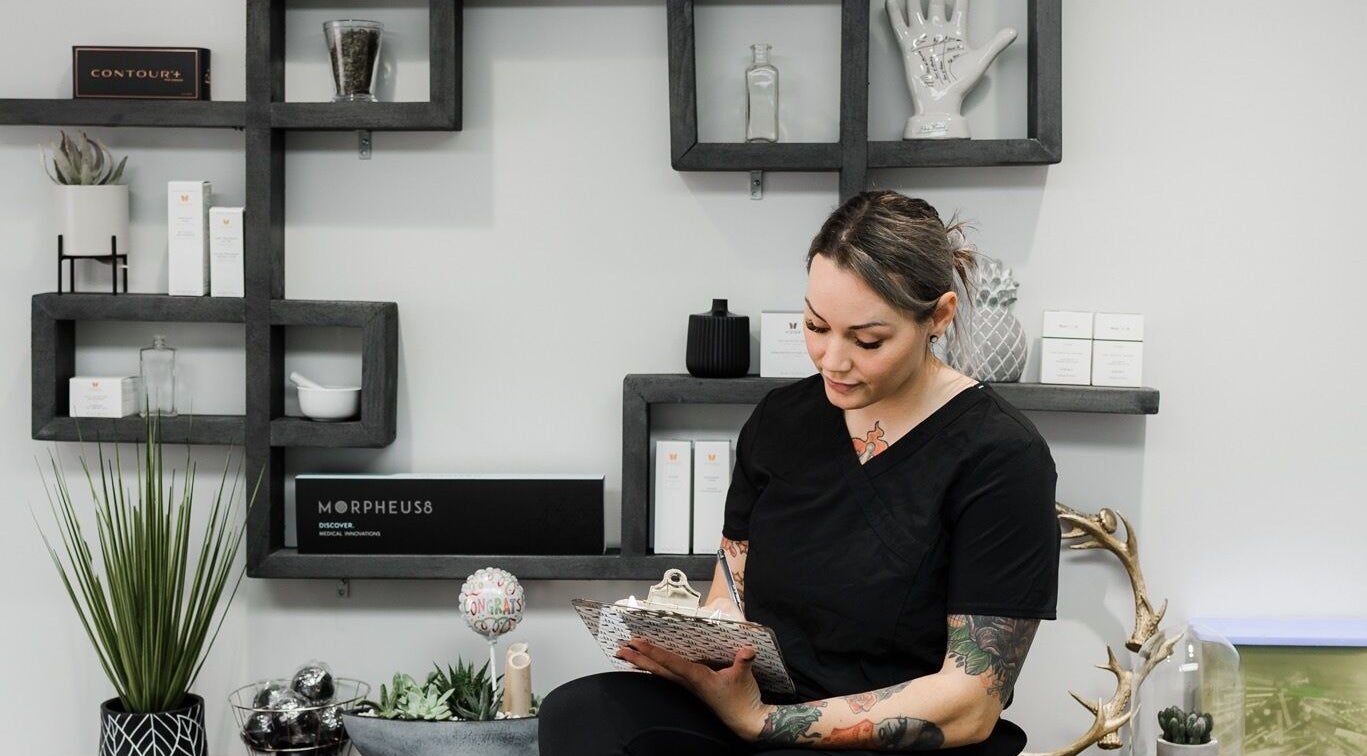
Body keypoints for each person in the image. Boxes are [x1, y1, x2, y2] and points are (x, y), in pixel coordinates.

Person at [540, 191, 1060, 755]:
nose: (832, 361)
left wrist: (761, 722)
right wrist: (696, 654)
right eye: (815, 326)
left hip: (895, 736)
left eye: (867, 340)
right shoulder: (779, 422)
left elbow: (972, 702)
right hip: (753, 704)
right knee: (581, 714)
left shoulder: (1002, 456)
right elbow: (729, 594)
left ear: (938, 316)